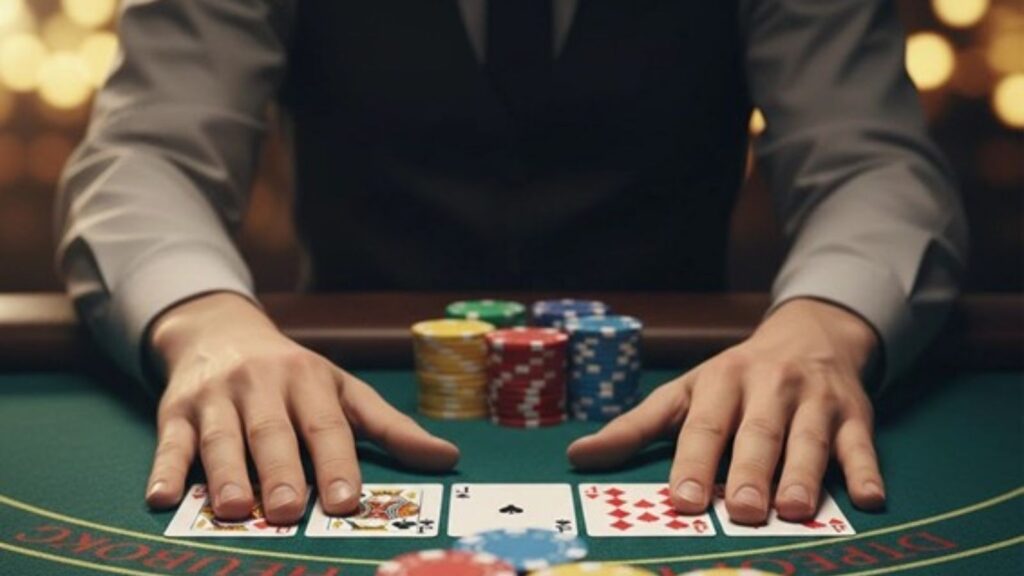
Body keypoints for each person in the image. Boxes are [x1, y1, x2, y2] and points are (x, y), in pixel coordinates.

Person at [56, 0, 967, 528]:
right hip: (349, 376)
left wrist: (827, 325)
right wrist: (204, 317)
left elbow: (871, 161)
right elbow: (146, 151)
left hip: (683, 379)